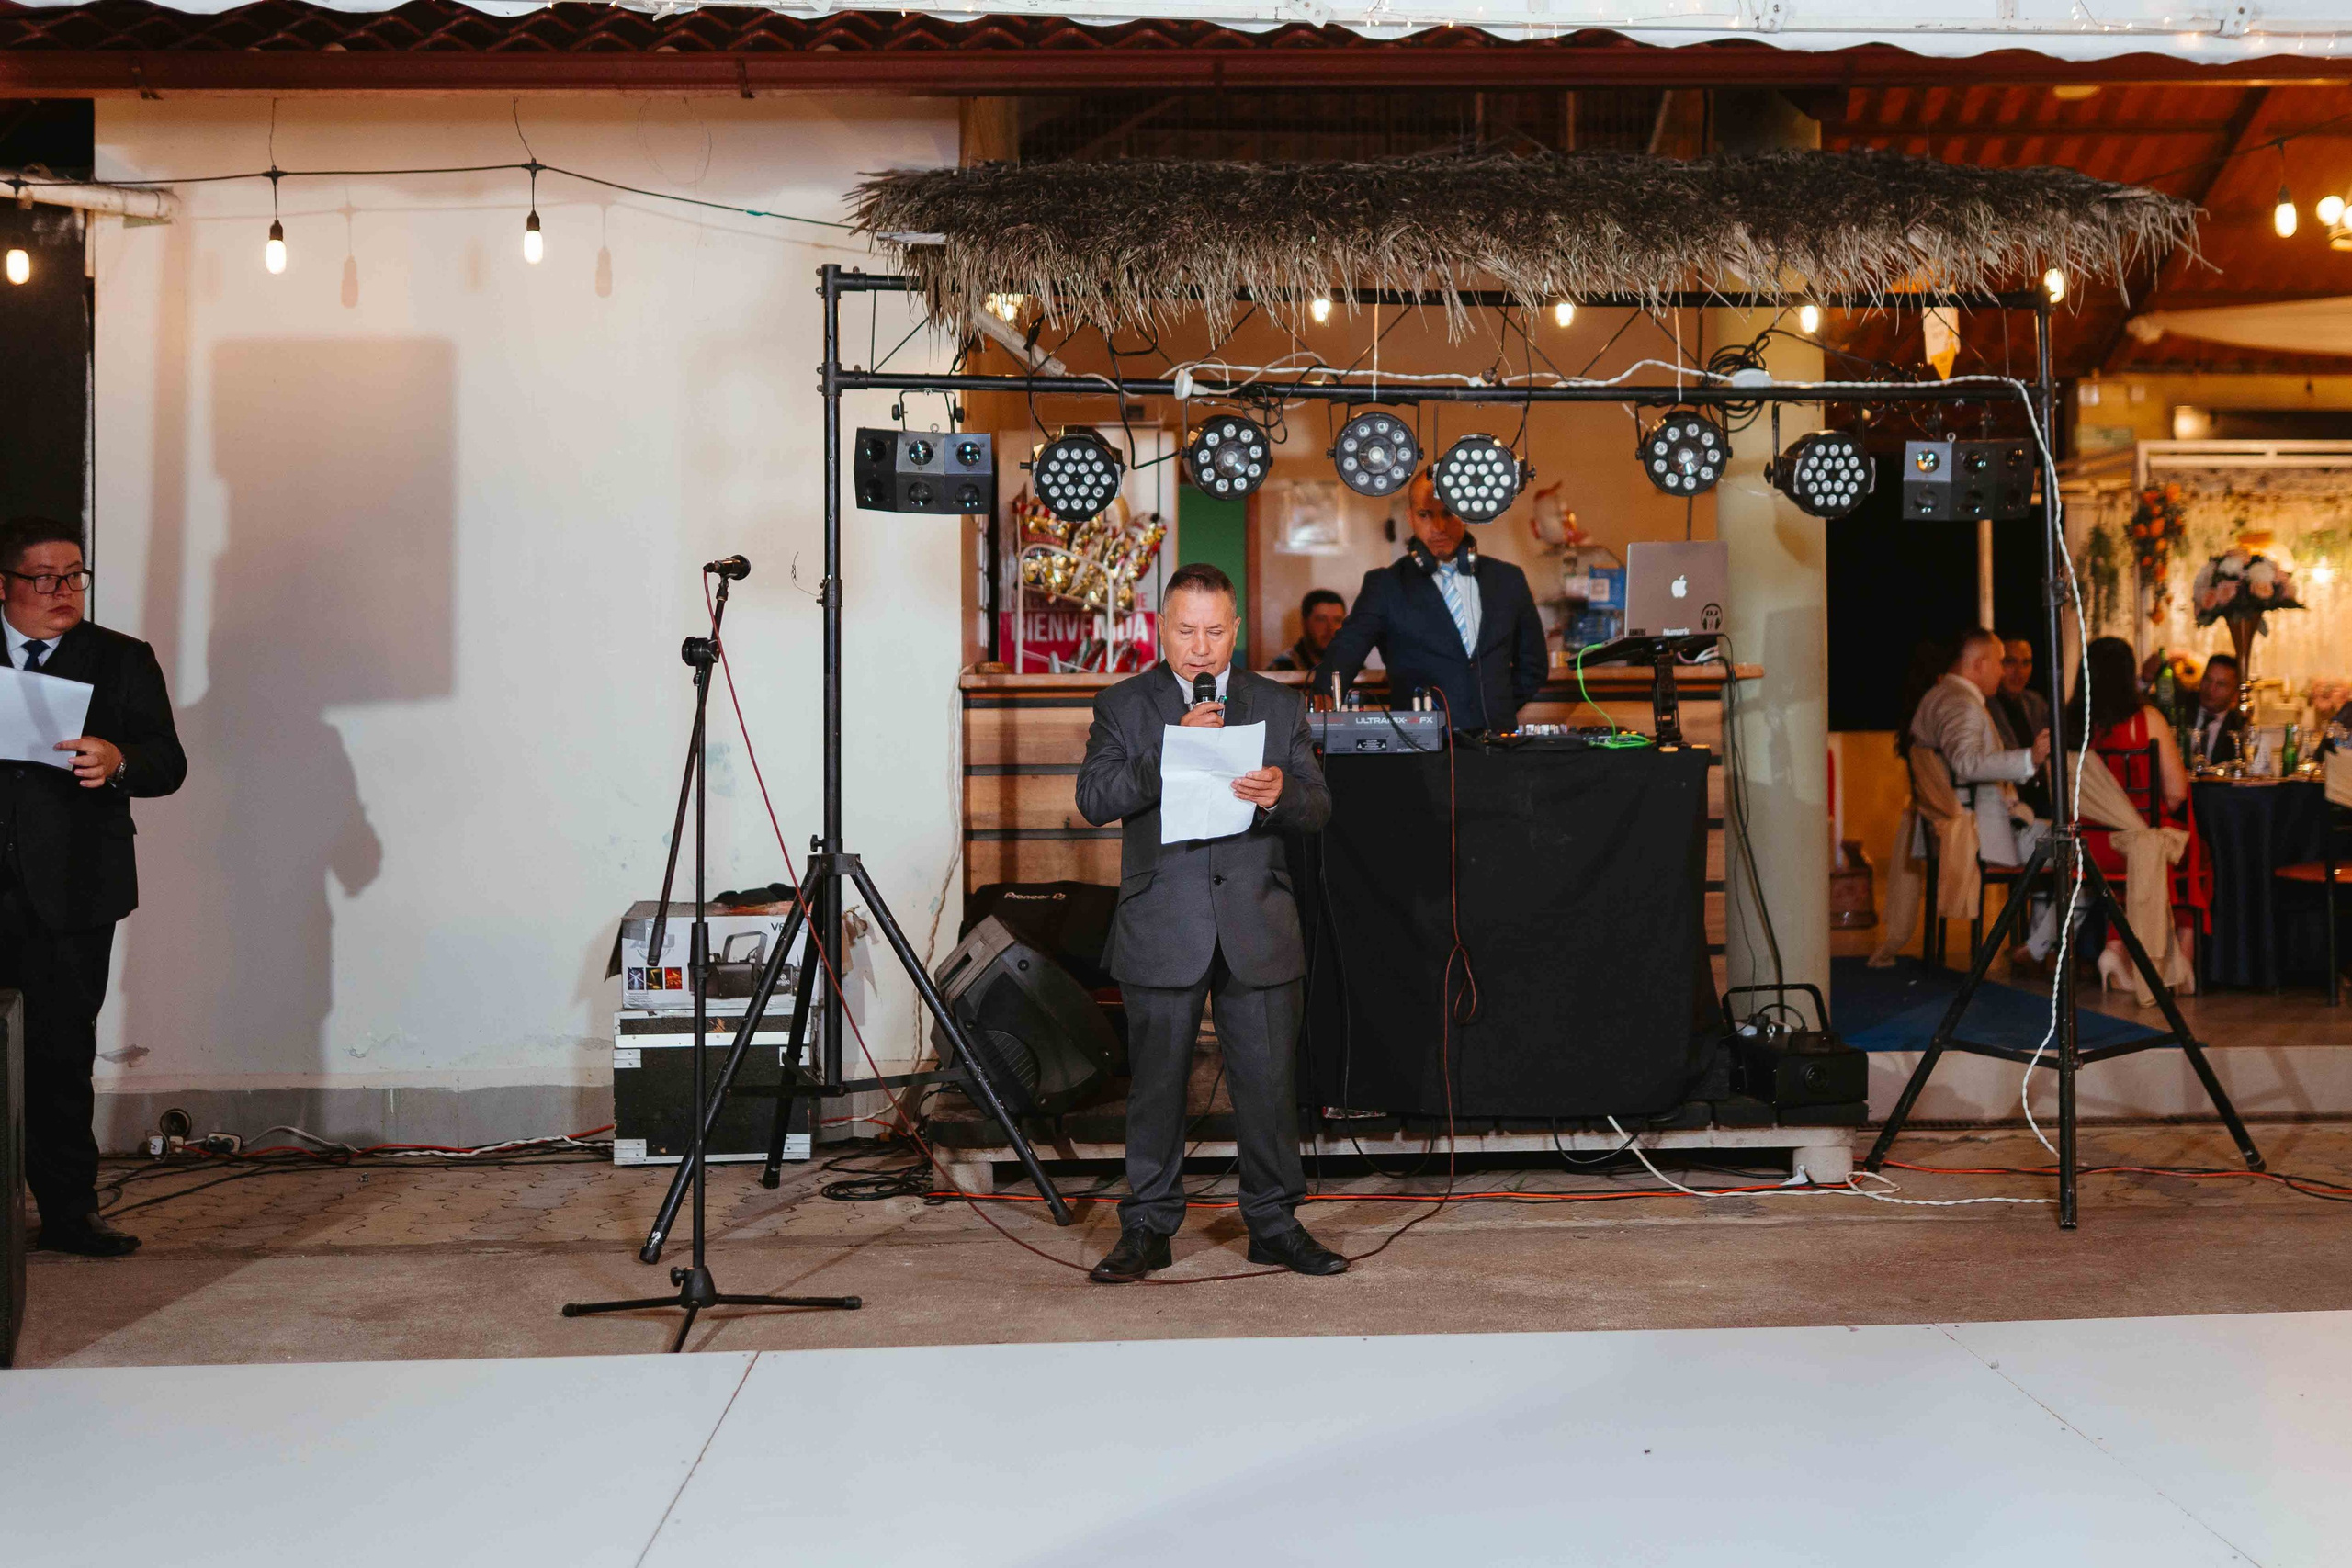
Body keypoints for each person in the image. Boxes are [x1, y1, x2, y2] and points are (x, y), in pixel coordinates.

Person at [1074, 561, 1340, 1281]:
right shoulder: (1124, 704)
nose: (1200, 646)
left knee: (1267, 1085)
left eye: (1215, 630)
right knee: (1157, 1087)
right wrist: (1170, 748)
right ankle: (1149, 1227)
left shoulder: (1278, 705)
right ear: (1162, 628)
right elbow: (1095, 797)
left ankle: (1274, 1223)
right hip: (1164, 922)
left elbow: (1318, 808)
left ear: (1236, 630)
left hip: (1258, 920)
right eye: (1186, 630)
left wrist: (1283, 792)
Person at [0, 516, 187, 1257]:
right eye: (43, 578)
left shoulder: (120, 659)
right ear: (5, 585)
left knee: (59, 1054)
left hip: (74, 889)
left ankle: (70, 1213)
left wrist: (117, 759)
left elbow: (168, 762)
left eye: (74, 575)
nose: (62, 590)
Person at [1310, 469, 1547, 732]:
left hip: (1497, 742)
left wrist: (1494, 706)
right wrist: (1323, 694)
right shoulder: (1385, 585)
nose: (1439, 527)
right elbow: (1348, 649)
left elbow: (1534, 666)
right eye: (1425, 515)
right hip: (1419, 746)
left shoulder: (1509, 579)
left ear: (1467, 514)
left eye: (1448, 513)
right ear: (1410, 518)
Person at [1907, 626, 2057, 961]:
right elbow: (1967, 763)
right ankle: (2039, 948)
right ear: (1978, 665)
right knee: (2077, 850)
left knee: (2052, 841)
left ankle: (2037, 946)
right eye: (2001, 662)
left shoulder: (1936, 696)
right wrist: (2029, 758)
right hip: (1980, 834)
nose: (2004, 672)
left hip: (1954, 826)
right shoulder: (1963, 705)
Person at [2069, 635, 2210, 986]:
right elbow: (2177, 794)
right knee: (2192, 852)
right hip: (2133, 846)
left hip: (2087, 849)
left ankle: (2115, 947)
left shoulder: (2071, 726)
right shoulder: (2147, 720)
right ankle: (2180, 957)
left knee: (2144, 853)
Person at [1991, 637, 2052, 816]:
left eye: (2026, 663)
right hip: (2006, 800)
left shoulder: (2035, 702)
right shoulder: (1985, 706)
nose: (2019, 672)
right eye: (2010, 662)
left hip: (2041, 795)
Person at [2183, 651, 2248, 767]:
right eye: (2208, 680)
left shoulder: (2237, 726)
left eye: (2221, 684)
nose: (2210, 689)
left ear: (2235, 694)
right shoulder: (2182, 705)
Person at [1266, 588, 1346, 674]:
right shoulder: (1282, 668)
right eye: (1321, 619)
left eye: (1338, 620)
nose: (1331, 629)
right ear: (1304, 623)